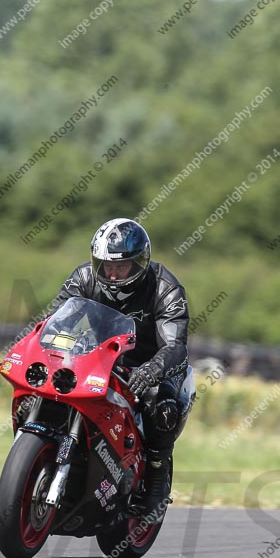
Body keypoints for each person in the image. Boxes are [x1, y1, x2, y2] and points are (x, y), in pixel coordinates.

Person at [53, 218, 192, 523]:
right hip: (99, 359)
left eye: (121, 267)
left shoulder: (165, 287)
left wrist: (152, 370)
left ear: (140, 262)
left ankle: (156, 479)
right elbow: (54, 321)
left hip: (155, 364)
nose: (112, 274)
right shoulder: (83, 278)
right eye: (105, 266)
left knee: (163, 406)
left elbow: (175, 344)